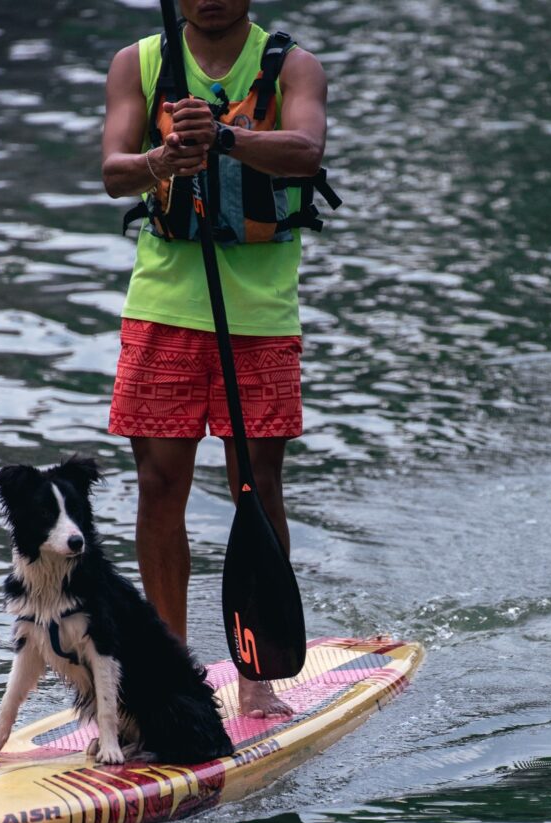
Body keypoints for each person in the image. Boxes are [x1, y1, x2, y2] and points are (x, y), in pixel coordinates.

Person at [102, 0, 329, 717]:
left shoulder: (291, 64)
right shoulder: (137, 64)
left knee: (255, 485)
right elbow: (114, 173)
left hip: (258, 316)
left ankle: (257, 676)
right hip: (164, 305)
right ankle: (173, 673)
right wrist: (161, 158)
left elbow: (305, 150)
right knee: (159, 483)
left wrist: (226, 140)